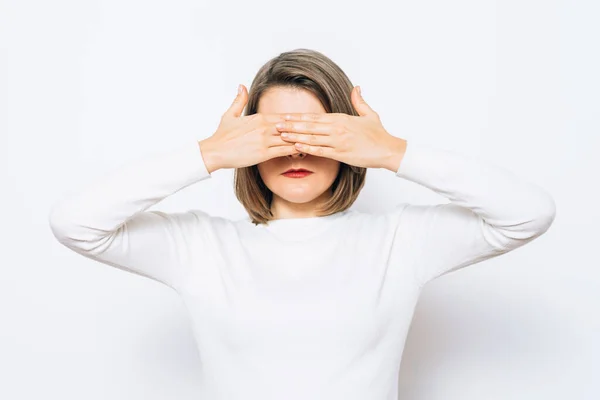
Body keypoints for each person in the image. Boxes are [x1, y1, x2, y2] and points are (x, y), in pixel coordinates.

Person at [48, 48, 556, 400]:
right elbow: (76, 224)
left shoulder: (398, 242)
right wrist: (210, 154)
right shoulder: (201, 247)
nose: (295, 150)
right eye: (274, 134)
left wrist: (391, 152)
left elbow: (528, 213)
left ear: (347, 140)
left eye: (316, 133)